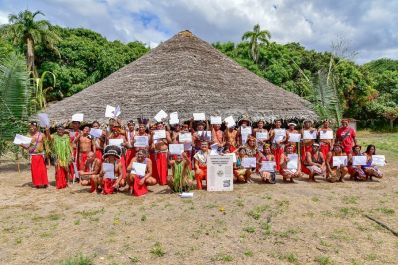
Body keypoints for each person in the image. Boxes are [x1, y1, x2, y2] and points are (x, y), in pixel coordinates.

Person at [20, 121, 48, 188]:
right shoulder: (28, 136)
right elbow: (26, 146)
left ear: (37, 127)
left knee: (42, 170)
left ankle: (45, 183)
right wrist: (21, 145)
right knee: (35, 170)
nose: (32, 127)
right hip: (33, 155)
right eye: (31, 126)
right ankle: (37, 183)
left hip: (41, 154)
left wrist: (47, 153)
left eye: (33, 126)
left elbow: (46, 144)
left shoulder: (42, 135)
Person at [46, 125, 72, 189]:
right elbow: (49, 138)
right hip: (57, 156)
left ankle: (68, 182)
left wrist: (72, 154)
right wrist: (47, 131)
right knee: (58, 169)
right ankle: (59, 183)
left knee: (67, 169)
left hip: (66, 155)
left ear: (64, 130)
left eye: (61, 129)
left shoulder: (67, 137)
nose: (60, 131)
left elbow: (70, 146)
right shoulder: (54, 136)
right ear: (56, 130)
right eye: (58, 129)